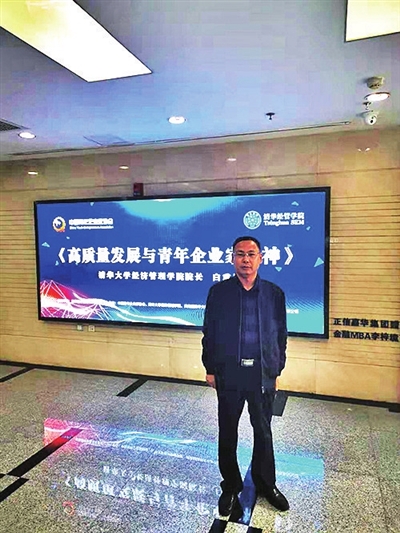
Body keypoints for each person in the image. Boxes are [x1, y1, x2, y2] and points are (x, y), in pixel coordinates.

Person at [201, 235, 289, 515]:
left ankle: (266, 483)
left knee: (263, 431)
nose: (246, 259)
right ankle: (230, 485)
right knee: (227, 431)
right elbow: (209, 333)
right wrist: (210, 368)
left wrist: (276, 369)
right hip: (229, 373)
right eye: (240, 254)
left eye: (251, 254)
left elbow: (281, 335)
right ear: (232, 259)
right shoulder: (219, 292)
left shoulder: (274, 294)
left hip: (261, 375)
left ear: (261, 258)